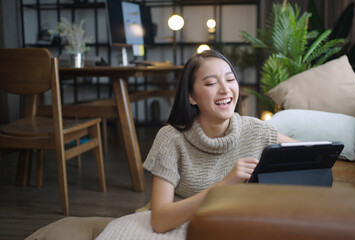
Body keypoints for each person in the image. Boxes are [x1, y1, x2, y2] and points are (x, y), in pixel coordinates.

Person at [96, 50, 297, 239]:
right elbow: (159, 220)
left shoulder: (255, 129)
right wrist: (224, 185)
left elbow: (314, 151)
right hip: (181, 226)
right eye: (211, 83)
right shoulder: (170, 139)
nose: (225, 89)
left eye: (230, 79)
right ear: (192, 97)